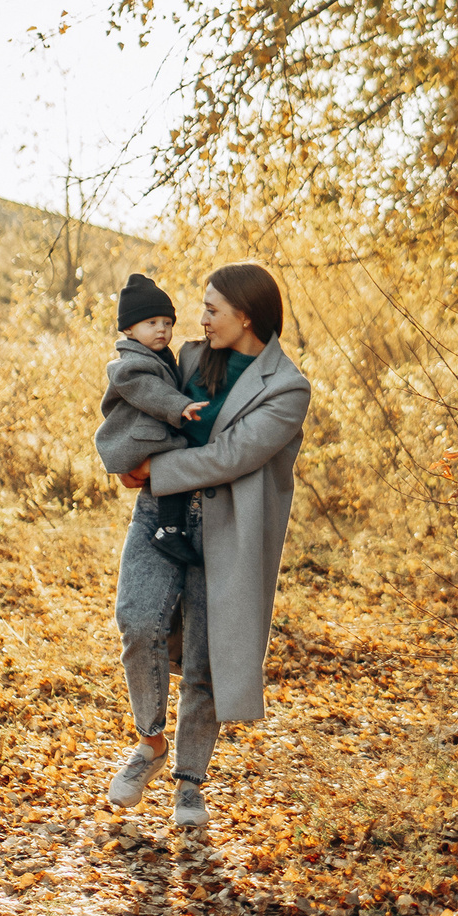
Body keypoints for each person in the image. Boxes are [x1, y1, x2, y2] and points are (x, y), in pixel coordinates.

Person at [98, 263, 312, 828]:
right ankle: (149, 742)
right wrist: (125, 457)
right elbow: (133, 389)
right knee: (137, 619)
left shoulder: (287, 389)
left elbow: (231, 457)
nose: (201, 318)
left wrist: (152, 468)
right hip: (159, 512)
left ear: (246, 316)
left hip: (227, 532)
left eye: (213, 309)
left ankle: (189, 784)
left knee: (204, 660)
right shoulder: (190, 357)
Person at [96, 274, 210, 568]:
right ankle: (169, 529)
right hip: (137, 436)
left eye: (167, 323)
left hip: (146, 433)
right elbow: (149, 391)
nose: (162, 329)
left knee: (177, 461)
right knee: (177, 458)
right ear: (129, 329)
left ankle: (171, 528)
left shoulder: (158, 355)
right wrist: (180, 406)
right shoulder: (129, 365)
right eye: (152, 323)